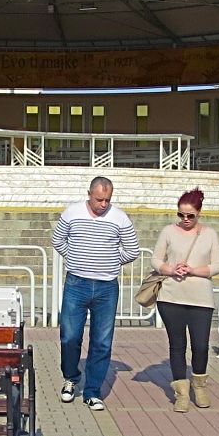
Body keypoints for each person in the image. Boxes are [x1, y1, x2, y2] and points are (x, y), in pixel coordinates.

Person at [53, 176, 139, 412]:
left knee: (101, 341)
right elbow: (57, 240)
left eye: (107, 200)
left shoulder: (119, 218)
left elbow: (132, 250)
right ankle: (70, 378)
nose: (103, 204)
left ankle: (92, 391)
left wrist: (112, 261)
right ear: (89, 194)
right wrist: (74, 258)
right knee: (69, 336)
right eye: (99, 199)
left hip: (106, 287)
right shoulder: (71, 213)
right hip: (76, 284)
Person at [151, 189, 219, 413]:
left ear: (199, 214)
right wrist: (170, 268)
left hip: (201, 298)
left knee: (200, 345)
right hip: (171, 296)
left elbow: (218, 265)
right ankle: (181, 392)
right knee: (177, 344)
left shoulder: (209, 234)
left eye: (190, 216)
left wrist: (193, 270)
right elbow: (155, 258)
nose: (185, 220)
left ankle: (200, 386)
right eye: (181, 215)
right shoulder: (168, 231)